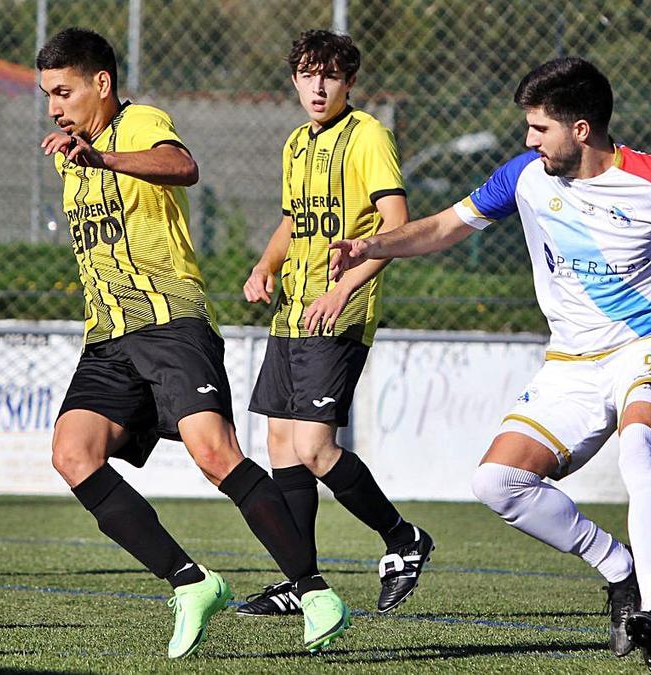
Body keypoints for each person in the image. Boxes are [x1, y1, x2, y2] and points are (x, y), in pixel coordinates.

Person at [329, 57, 651, 670]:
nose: (527, 140)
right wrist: (372, 245)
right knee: (495, 483)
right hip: (570, 363)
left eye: (539, 128)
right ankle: (617, 568)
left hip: (650, 344)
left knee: (638, 449)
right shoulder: (525, 175)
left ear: (581, 129)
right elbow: (443, 227)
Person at [35, 27, 350, 659]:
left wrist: (106, 159)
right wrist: (85, 159)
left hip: (172, 324)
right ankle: (190, 582)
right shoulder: (72, 157)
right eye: (47, 95)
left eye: (63, 92)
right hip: (109, 337)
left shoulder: (139, 121)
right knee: (72, 453)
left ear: (101, 85)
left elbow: (183, 166)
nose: (53, 108)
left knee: (214, 453)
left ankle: (315, 592)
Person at [239, 29, 433, 618]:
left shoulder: (369, 135)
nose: (317, 86)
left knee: (315, 447)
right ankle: (303, 582)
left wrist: (346, 285)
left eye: (329, 75)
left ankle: (403, 538)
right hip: (293, 310)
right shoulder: (296, 143)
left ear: (348, 81)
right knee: (281, 445)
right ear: (295, 80)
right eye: (306, 73)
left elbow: (397, 226)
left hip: (341, 310)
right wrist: (265, 264)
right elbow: (293, 224)